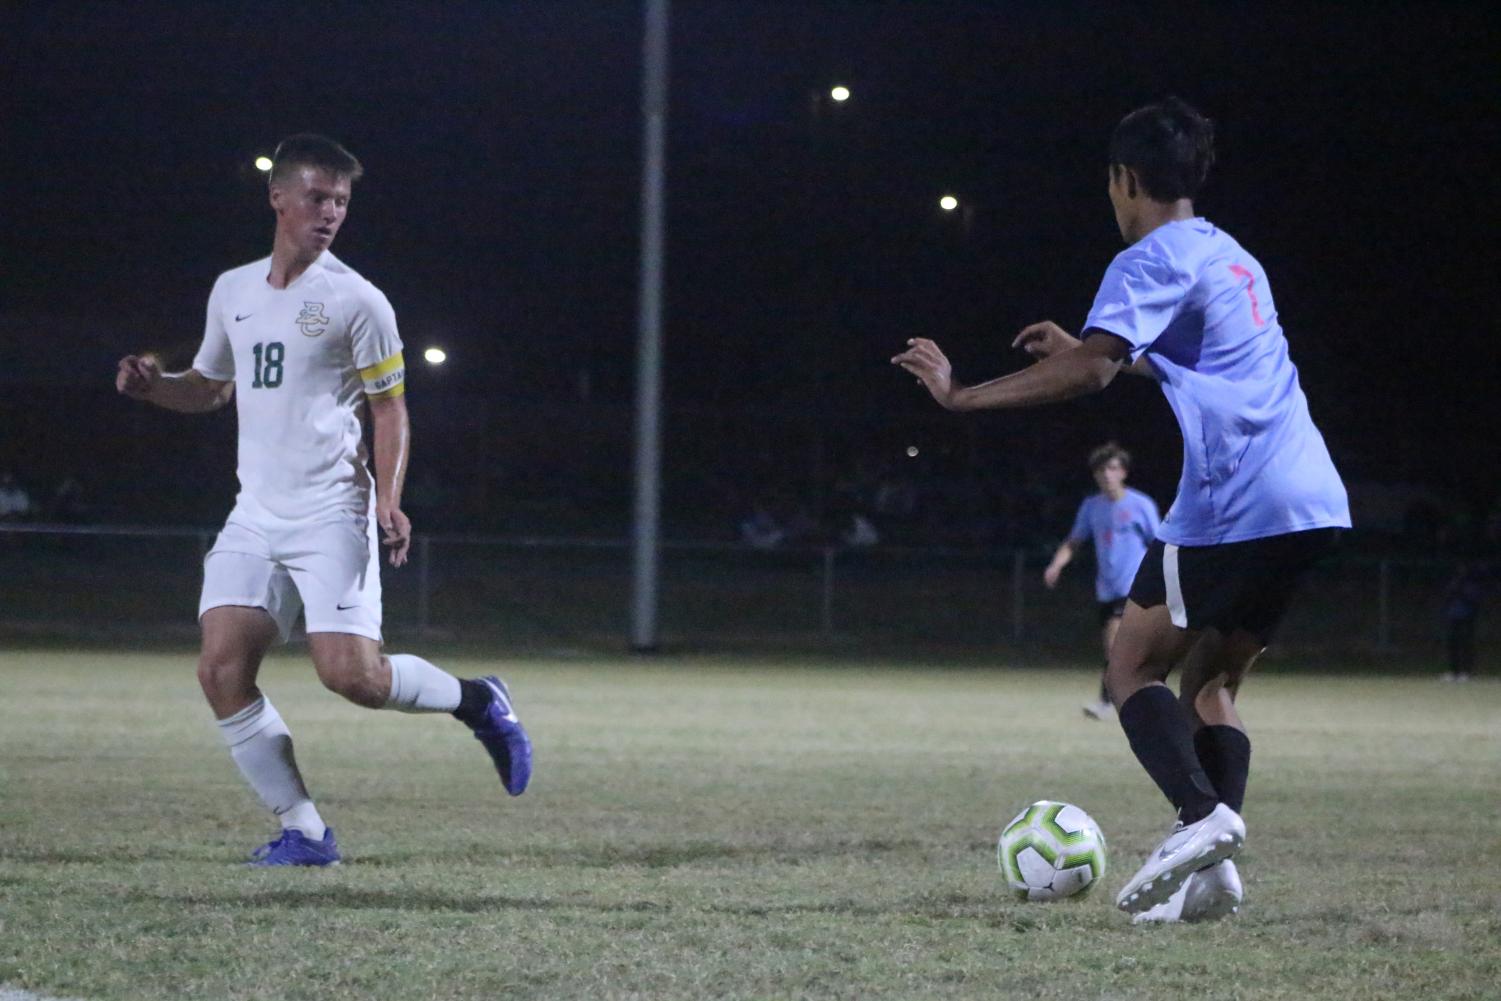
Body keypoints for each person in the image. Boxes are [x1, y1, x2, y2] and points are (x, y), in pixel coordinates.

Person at [893, 97, 1349, 922]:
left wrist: (963, 396)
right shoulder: (1232, 255)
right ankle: (1213, 872)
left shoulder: (1145, 257)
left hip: (1233, 495)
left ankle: (1200, 815)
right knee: (1212, 682)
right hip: (1309, 496)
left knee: (1130, 665)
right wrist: (1092, 346)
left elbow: (1091, 376)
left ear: (1123, 179)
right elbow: (1181, 364)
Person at [115, 134, 531, 867]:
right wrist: (156, 387)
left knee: (352, 677)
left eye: (341, 200)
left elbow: (391, 409)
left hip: (331, 509)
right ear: (278, 198)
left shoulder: (357, 300)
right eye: (316, 197)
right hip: (255, 514)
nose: (330, 211)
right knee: (220, 669)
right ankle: (304, 832)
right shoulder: (232, 290)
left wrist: (389, 499)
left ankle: (476, 700)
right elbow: (210, 389)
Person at [1043, 443, 1160, 720]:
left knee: (1114, 644)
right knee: (1123, 652)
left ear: (1123, 472)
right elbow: (1074, 541)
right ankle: (1140, 701)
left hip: (1134, 587)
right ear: (1095, 475)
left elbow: (1158, 544)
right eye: (1101, 469)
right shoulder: (1091, 506)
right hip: (1106, 589)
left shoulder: (1140, 505)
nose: (1107, 474)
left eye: (1113, 468)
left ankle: (1109, 703)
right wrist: (1056, 564)